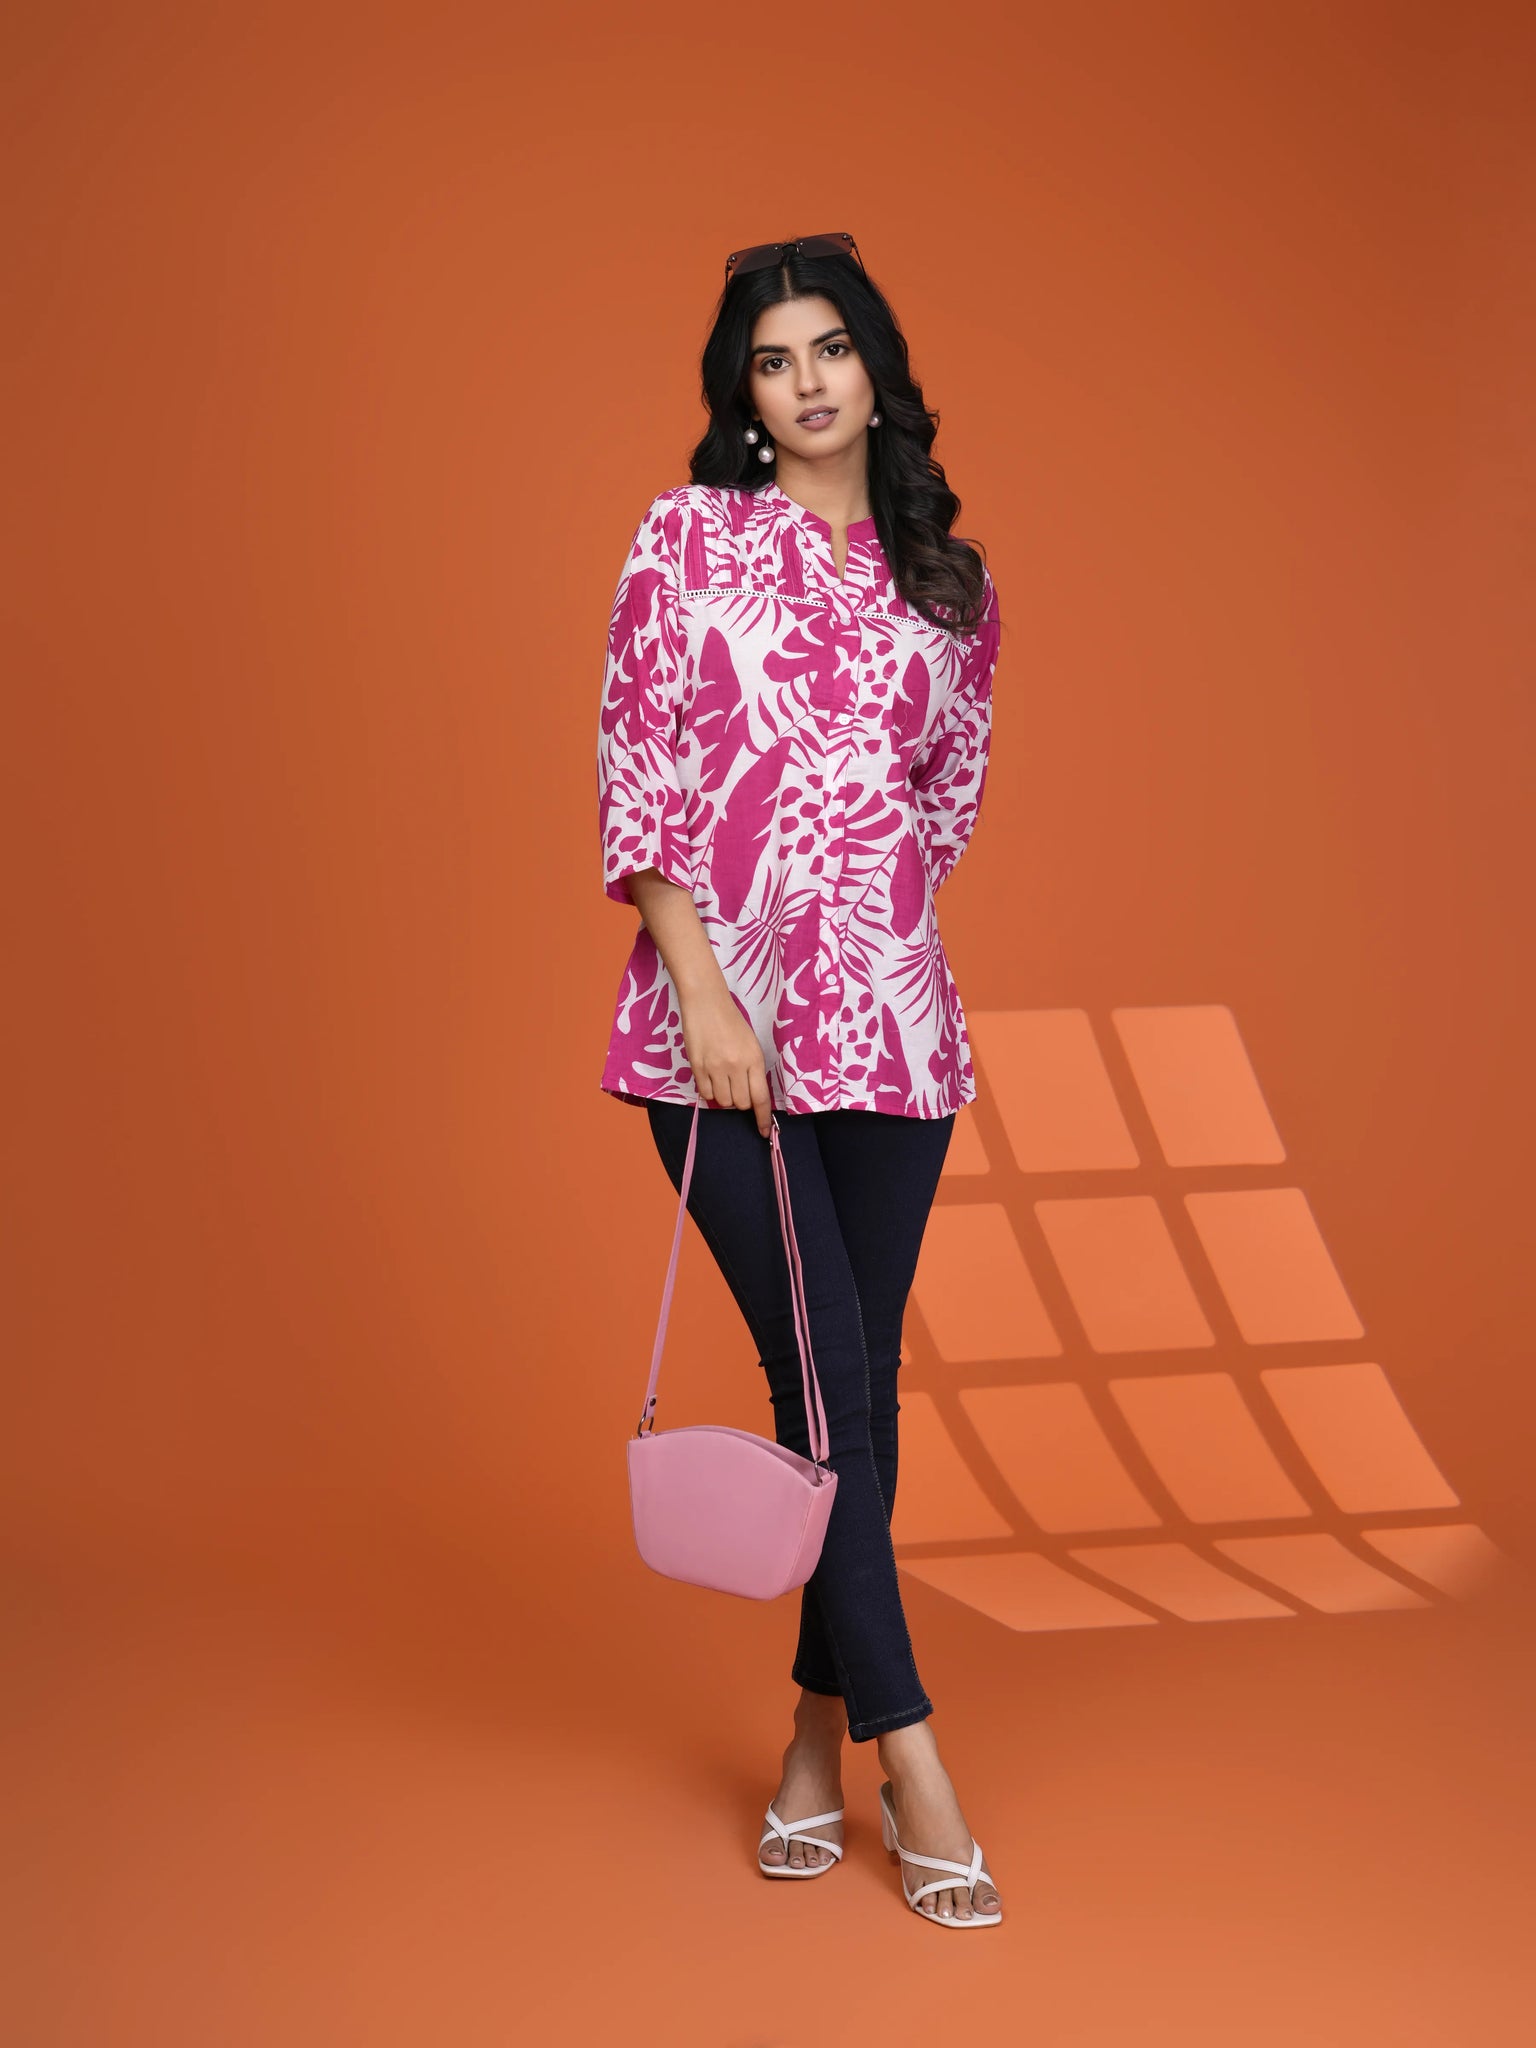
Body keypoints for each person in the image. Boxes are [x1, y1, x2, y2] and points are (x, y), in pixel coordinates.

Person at [595, 233, 1004, 1927]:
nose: (809, 380)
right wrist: (713, 990)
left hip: (896, 1040)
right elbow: (637, 773)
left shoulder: (950, 584)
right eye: (774, 360)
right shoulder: (686, 540)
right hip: (718, 1042)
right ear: (744, 396)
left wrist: (863, 944)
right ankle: (919, 1764)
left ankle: (811, 1750)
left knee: (853, 1402)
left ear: (876, 369)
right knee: (827, 1376)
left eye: (831, 348)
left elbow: (945, 798)